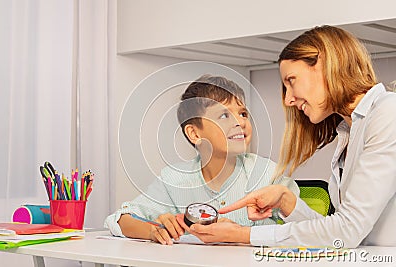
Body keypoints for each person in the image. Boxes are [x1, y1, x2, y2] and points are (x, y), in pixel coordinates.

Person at [177, 25, 396, 248]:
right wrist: (286, 200)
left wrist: (242, 234)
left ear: (325, 65)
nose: (288, 100)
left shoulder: (388, 112)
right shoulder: (348, 132)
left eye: (291, 81)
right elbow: (335, 234)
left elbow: (347, 232)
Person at [104, 74, 299, 245]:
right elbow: (119, 220)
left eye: (243, 113)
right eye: (224, 115)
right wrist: (153, 230)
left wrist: (242, 235)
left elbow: (308, 231)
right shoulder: (174, 179)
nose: (240, 122)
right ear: (194, 134)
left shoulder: (269, 175)